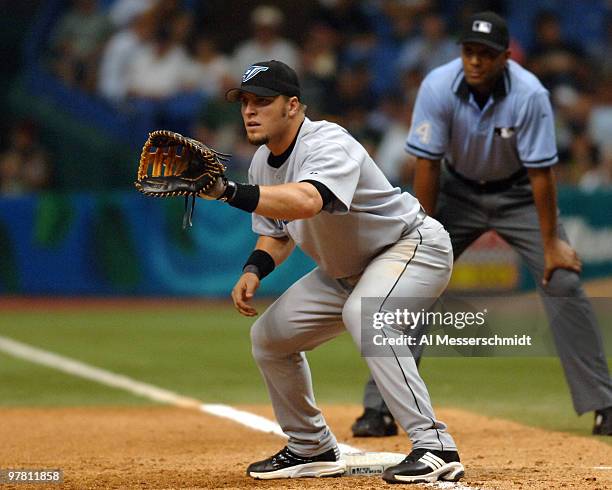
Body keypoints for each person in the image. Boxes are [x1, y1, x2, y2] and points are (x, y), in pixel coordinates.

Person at [198, 60, 465, 483]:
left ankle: (436, 447)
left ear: (293, 106)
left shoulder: (327, 140)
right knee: (269, 338)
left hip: (410, 247)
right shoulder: (261, 165)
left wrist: (228, 192)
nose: (250, 110)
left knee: (367, 315)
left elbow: (307, 201)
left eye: (263, 101)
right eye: (245, 101)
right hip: (348, 271)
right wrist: (254, 269)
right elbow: (279, 233)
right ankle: (310, 446)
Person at [352, 11, 612, 438]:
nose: (475, 61)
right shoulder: (438, 85)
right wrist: (422, 231)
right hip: (458, 192)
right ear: (461, 53)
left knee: (562, 280)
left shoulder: (530, 94)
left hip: (518, 196)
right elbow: (428, 163)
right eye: (469, 52)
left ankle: (604, 403)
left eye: (485, 54)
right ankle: (378, 408)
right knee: (411, 285)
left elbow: (542, 174)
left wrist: (552, 244)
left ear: (505, 57)